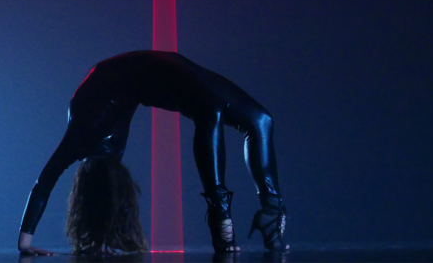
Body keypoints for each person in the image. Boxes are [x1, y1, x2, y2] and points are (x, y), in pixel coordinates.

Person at [18, 50, 289, 255]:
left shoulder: (80, 139)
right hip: (150, 68)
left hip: (130, 74)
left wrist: (25, 243)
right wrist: (25, 244)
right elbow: (45, 182)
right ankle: (242, 213)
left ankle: (258, 212)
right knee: (239, 116)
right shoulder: (97, 149)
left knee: (257, 120)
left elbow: (44, 181)